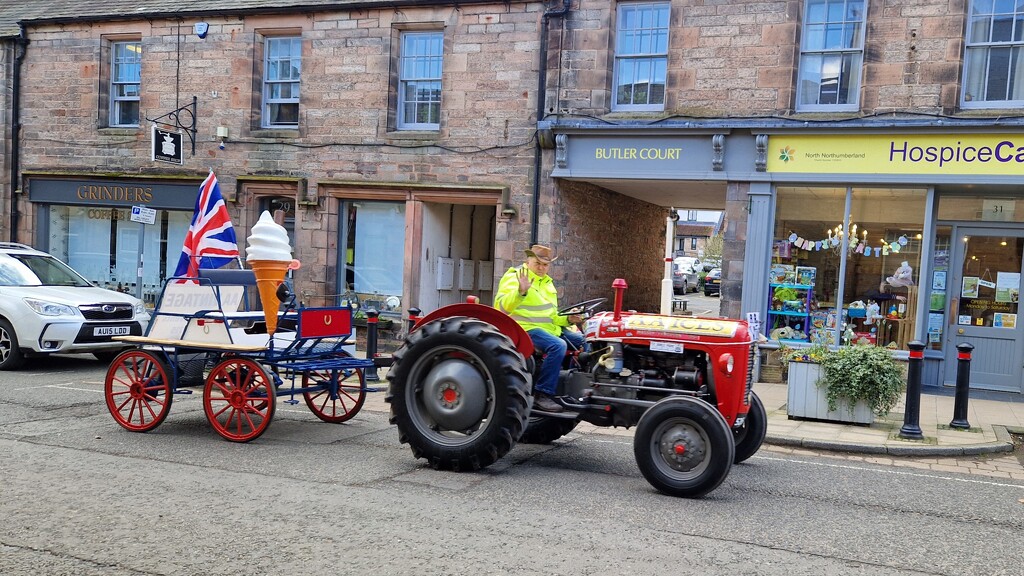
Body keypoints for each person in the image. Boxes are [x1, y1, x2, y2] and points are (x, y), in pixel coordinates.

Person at [494, 244, 584, 412]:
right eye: (538, 264)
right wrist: (520, 293)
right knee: (558, 346)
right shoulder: (515, 277)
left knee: (587, 342)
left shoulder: (548, 283)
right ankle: (542, 394)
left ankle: (580, 390)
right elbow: (501, 307)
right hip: (524, 328)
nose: (542, 268)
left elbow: (552, 316)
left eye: (545, 265)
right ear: (528, 261)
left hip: (548, 329)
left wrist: (569, 319)